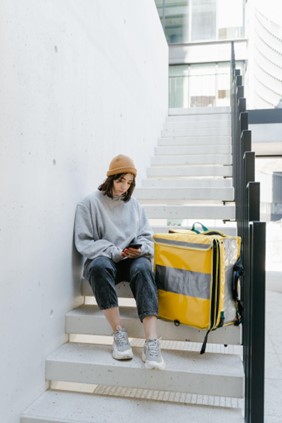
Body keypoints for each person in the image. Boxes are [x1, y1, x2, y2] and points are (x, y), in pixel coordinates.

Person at [74, 154, 165, 370]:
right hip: (105, 259)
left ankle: (151, 342)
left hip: (130, 260)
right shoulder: (88, 204)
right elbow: (84, 242)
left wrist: (139, 250)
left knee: (143, 267)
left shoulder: (134, 206)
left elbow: (146, 238)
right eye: (120, 180)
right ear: (110, 178)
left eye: (129, 182)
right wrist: (114, 251)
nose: (124, 187)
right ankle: (118, 333)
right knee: (97, 267)